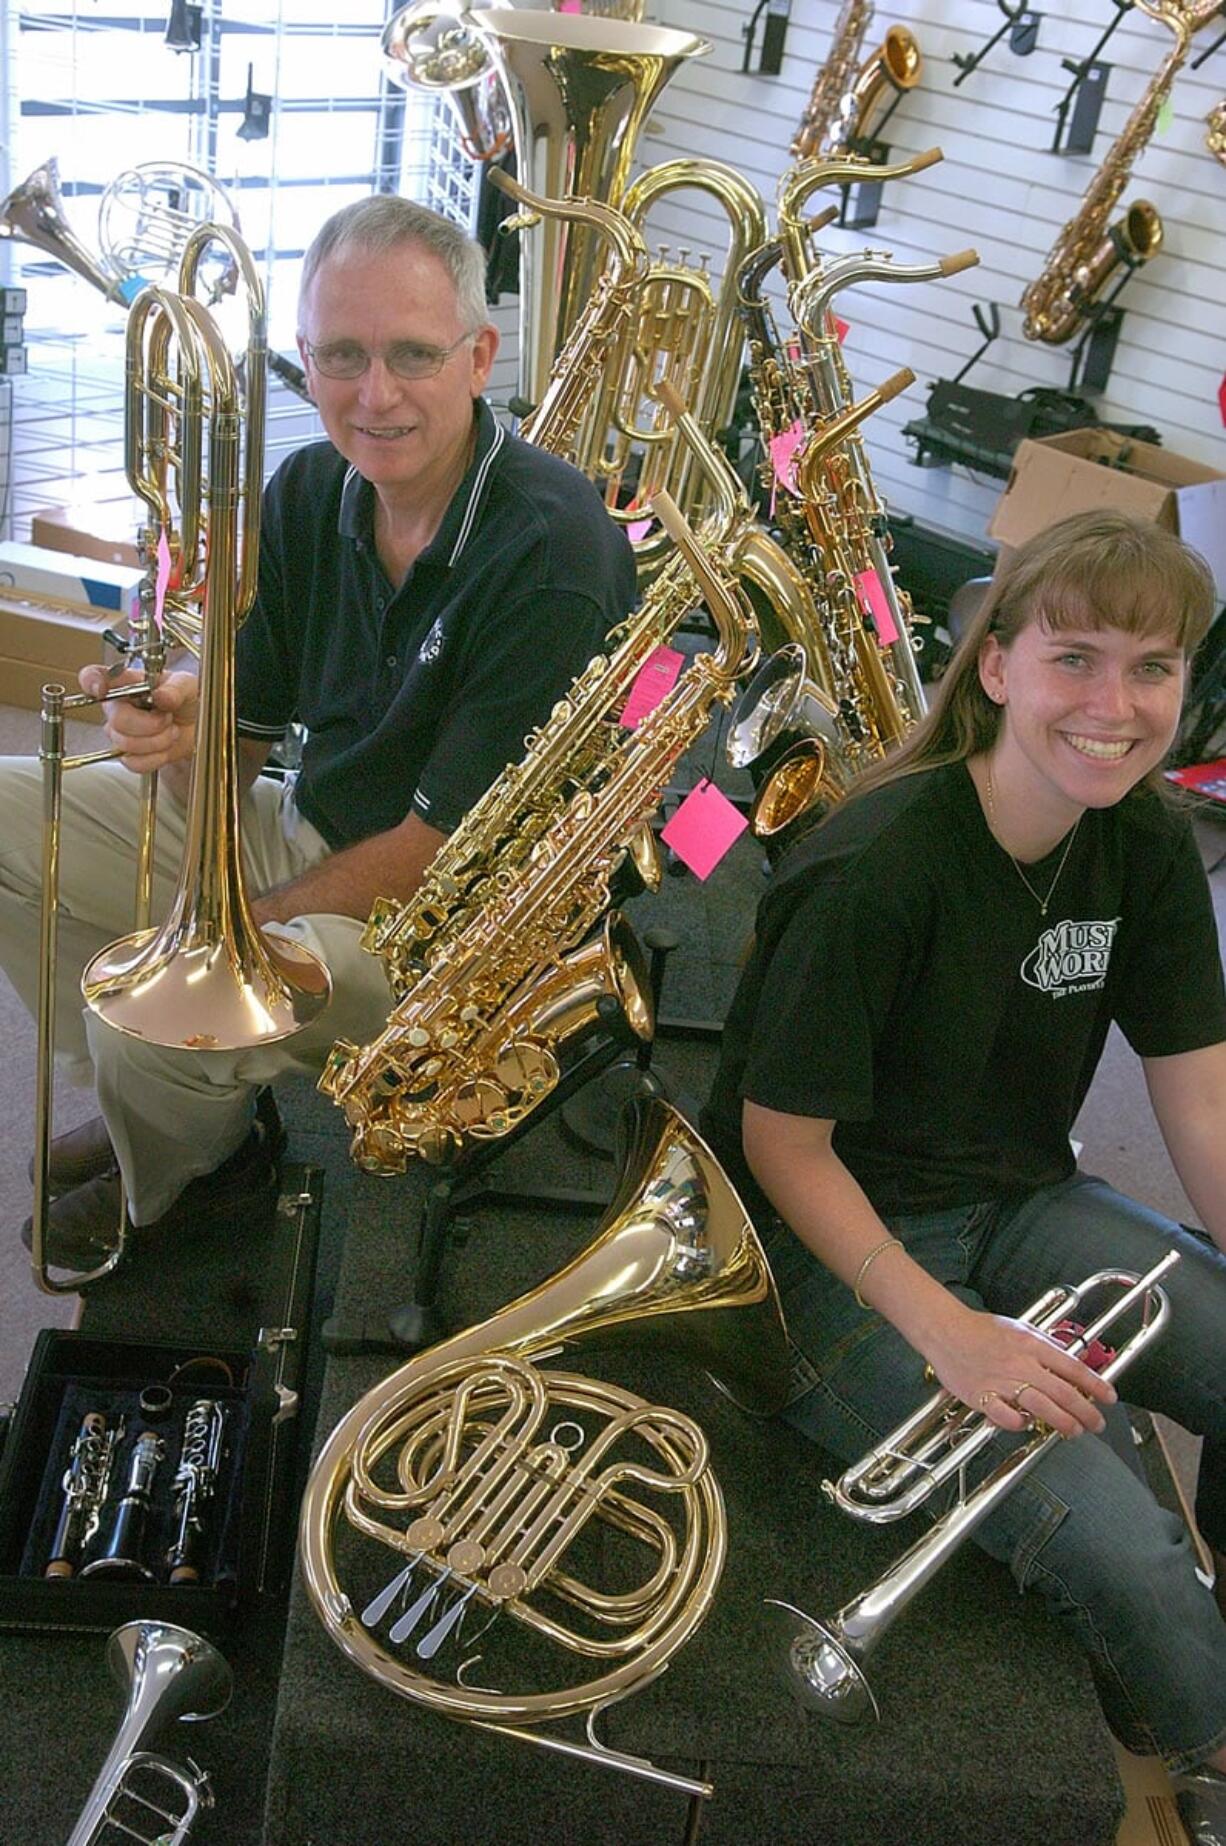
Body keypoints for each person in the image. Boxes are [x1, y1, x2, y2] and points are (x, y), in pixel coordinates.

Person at [701, 510, 1226, 1838]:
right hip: (825, 1259)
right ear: (995, 665)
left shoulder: (1147, 842)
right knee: (1122, 1551)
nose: (1114, 706)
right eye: (1076, 658)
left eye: (1151, 669)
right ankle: (1204, 1742)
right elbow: (781, 1146)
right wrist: (951, 1340)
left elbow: (1198, 1093)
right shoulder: (873, 864)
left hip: (1011, 1200)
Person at [0, 194, 637, 1270]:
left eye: (411, 355)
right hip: (321, 835)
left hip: (446, 930)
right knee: (25, 807)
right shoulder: (308, 488)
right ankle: (166, 1110)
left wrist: (225, 931)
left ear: (478, 357)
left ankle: (188, 1178)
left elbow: (437, 855)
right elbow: (242, 742)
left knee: (152, 1007)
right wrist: (179, 732)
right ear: (303, 355)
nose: (373, 395)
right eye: (341, 355)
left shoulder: (552, 552)